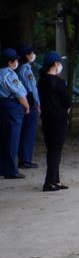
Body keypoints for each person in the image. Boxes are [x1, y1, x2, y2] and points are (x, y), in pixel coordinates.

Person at [36, 51, 70, 191]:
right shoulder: (58, 82)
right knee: (56, 150)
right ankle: (49, 182)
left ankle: (55, 180)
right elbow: (67, 101)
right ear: (56, 64)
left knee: (52, 149)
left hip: (47, 118)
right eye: (59, 62)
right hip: (59, 119)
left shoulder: (42, 80)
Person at [0, 48, 30, 179]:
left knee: (3, 137)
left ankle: (2, 167)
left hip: (3, 104)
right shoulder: (9, 74)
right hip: (12, 105)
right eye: (15, 60)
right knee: (13, 138)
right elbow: (18, 92)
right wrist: (26, 105)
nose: (17, 62)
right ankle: (12, 170)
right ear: (10, 62)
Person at [17, 45, 40, 168]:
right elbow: (32, 90)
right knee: (29, 132)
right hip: (30, 102)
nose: (33, 55)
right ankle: (25, 160)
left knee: (26, 131)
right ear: (27, 55)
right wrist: (37, 104)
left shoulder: (22, 69)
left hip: (27, 102)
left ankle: (24, 158)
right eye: (32, 53)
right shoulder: (27, 70)